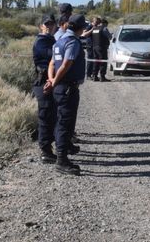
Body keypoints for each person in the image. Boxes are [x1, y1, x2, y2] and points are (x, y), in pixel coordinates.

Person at [45, 14, 87, 175]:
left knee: (61, 121)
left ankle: (63, 155)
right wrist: (54, 81)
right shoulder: (72, 42)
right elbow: (66, 64)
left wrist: (51, 80)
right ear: (81, 28)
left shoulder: (59, 41)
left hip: (59, 87)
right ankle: (61, 161)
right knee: (65, 124)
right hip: (67, 88)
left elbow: (51, 63)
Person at [32, 14, 57, 163]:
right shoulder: (41, 41)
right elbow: (51, 56)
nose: (49, 26)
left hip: (49, 82)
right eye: (46, 24)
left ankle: (49, 148)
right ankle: (45, 151)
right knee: (45, 117)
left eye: (51, 24)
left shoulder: (51, 40)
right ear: (41, 26)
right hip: (43, 83)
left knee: (51, 116)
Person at [90, 16, 112, 82]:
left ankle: (94, 76)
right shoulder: (104, 28)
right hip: (102, 47)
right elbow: (110, 37)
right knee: (103, 62)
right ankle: (102, 77)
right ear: (104, 23)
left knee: (96, 62)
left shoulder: (94, 28)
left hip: (94, 47)